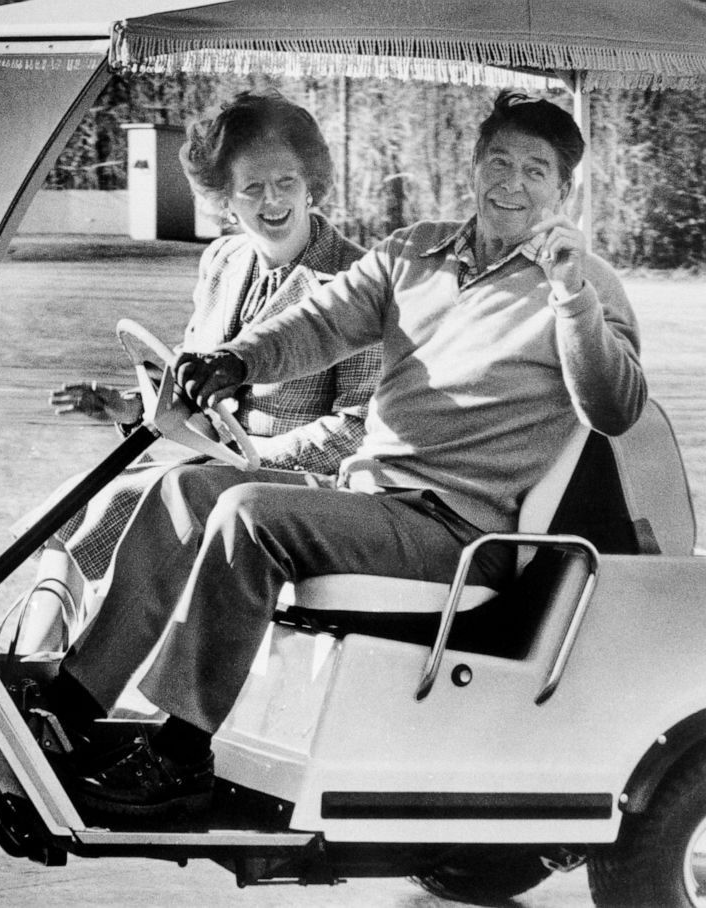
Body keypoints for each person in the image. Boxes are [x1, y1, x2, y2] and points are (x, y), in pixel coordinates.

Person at [44, 89, 647, 819]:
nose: (510, 183)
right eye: (498, 160)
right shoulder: (411, 255)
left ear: (564, 188)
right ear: (475, 165)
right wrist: (236, 360)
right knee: (186, 489)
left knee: (251, 512)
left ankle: (179, 754)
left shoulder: (583, 285)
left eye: (535, 169)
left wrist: (570, 295)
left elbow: (614, 406)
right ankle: (71, 707)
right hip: (375, 499)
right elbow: (318, 325)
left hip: (461, 531)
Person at [35, 91, 382, 584]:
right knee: (74, 501)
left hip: (303, 487)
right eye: (252, 187)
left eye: (287, 182)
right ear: (224, 198)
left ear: (312, 185)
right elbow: (195, 385)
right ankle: (34, 657)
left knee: (125, 499)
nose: (273, 200)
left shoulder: (357, 279)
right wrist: (132, 409)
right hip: (215, 467)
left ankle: (70, 658)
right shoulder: (221, 261)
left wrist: (245, 463)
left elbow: (357, 428)